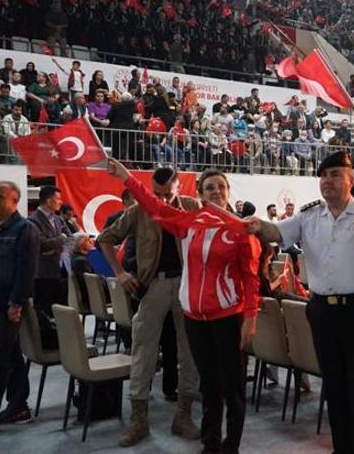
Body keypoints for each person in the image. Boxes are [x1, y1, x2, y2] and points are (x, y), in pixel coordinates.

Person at [248, 151, 354, 454]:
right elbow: (276, 231)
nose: (327, 181)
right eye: (323, 175)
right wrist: (255, 225)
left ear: (350, 178)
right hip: (321, 312)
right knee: (335, 387)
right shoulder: (308, 215)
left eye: (335, 174)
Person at [107, 160, 261, 454]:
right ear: (201, 194)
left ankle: (232, 446)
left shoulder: (242, 230)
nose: (216, 191)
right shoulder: (189, 223)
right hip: (194, 318)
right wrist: (127, 177)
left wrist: (251, 317)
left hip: (228, 317)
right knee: (210, 386)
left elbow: (251, 279)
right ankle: (210, 443)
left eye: (221, 186)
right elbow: (153, 206)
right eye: (209, 187)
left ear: (228, 191)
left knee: (233, 388)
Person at [98, 167, 201, 447]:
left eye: (168, 194)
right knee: (143, 350)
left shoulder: (192, 207)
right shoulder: (138, 211)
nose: (163, 200)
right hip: (153, 285)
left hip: (186, 286)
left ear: (179, 188)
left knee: (189, 351)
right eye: (157, 194)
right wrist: (120, 272)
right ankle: (139, 420)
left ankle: (183, 415)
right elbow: (105, 239)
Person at [0, 181, 40, 433]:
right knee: (9, 356)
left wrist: (16, 302)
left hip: (6, 305)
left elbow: (26, 269)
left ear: (14, 201)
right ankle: (18, 406)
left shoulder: (24, 229)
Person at [28, 186, 70, 317]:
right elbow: (40, 244)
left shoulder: (58, 219)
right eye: (58, 198)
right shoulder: (33, 220)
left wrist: (57, 242)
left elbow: (69, 237)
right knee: (44, 313)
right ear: (48, 200)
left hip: (60, 271)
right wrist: (60, 239)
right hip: (42, 274)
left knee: (61, 312)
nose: (61, 202)